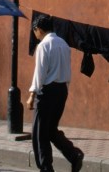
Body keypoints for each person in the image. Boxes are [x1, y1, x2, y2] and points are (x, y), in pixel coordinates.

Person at [26, 14, 84, 172]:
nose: (34, 34)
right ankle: (74, 155)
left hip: (47, 92)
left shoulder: (43, 45)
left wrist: (32, 94)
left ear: (38, 29)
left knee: (40, 132)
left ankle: (46, 168)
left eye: (34, 31)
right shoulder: (64, 44)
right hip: (62, 90)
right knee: (50, 129)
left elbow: (40, 73)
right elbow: (67, 69)